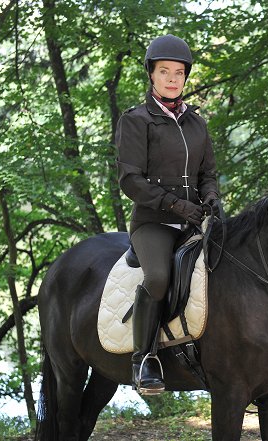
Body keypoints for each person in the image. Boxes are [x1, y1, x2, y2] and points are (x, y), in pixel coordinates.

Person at [115, 34, 219, 394]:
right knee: (158, 276)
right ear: (152, 75)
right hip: (153, 222)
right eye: (165, 72)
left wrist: (212, 199)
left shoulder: (196, 123)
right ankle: (143, 360)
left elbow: (208, 174)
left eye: (179, 73)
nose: (173, 79)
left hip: (194, 219)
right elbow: (131, 181)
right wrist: (177, 206)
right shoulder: (136, 120)